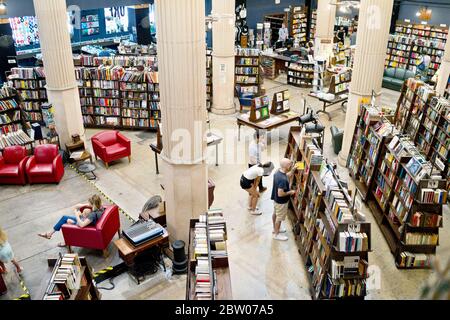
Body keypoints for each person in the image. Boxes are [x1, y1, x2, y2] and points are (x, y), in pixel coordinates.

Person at [38, 195, 105, 247]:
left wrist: (77, 215)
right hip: (85, 220)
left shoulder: (93, 214)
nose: (88, 204)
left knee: (67, 222)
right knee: (64, 218)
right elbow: (76, 207)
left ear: (93, 204)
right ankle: (49, 234)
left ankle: (67, 241)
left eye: (89, 203)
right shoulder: (100, 207)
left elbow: (82, 225)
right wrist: (86, 205)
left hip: (84, 226)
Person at [271, 158, 296, 241]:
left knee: (275, 213)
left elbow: (286, 175)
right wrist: (290, 192)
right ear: (287, 167)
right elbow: (280, 193)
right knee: (279, 218)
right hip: (281, 202)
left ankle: (275, 228)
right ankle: (276, 234)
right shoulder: (283, 180)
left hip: (276, 199)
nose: (291, 165)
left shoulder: (278, 172)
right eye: (290, 164)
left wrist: (292, 170)